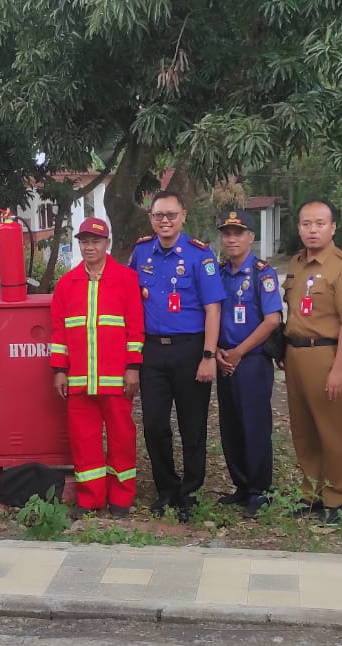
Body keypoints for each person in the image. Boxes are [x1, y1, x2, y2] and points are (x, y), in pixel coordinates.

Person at [130, 191, 224, 520]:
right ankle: (167, 489)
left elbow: (213, 308)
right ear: (151, 219)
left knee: (192, 427)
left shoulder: (200, 256)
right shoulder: (141, 252)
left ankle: (190, 493)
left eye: (171, 214)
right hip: (152, 350)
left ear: (183, 215)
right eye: (158, 215)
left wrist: (208, 355)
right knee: (154, 425)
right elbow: (128, 299)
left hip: (190, 349)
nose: (165, 221)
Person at [49, 218, 145, 517]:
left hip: (116, 379)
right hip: (78, 380)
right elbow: (59, 333)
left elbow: (135, 329)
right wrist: (59, 371)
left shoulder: (126, 279)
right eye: (84, 241)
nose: (89, 247)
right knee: (84, 441)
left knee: (122, 439)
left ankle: (121, 498)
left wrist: (133, 368)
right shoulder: (67, 283)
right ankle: (90, 499)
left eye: (96, 241)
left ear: (107, 244)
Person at [281, 199, 342, 524]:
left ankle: (337, 496)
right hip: (295, 355)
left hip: (326, 355)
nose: (311, 230)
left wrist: (340, 367)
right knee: (304, 430)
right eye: (305, 224)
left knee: (332, 431)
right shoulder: (296, 264)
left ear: (333, 227)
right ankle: (311, 491)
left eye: (319, 224)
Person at [214, 209, 282, 519]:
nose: (231, 239)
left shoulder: (262, 274)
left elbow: (271, 321)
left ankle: (259, 490)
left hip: (251, 361)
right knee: (230, 425)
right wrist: (217, 351)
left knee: (254, 425)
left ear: (250, 237)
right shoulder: (219, 271)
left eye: (238, 233)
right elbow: (209, 313)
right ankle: (241, 485)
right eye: (227, 233)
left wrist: (239, 352)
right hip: (224, 359)